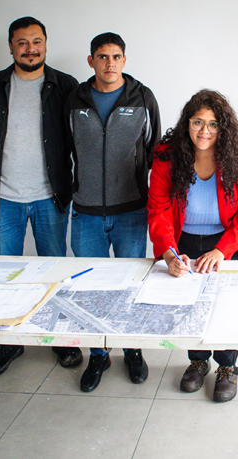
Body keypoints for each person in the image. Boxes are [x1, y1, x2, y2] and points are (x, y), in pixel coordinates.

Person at [0, 17, 83, 377]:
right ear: (11, 47)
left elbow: (75, 135)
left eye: (36, 41)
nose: (30, 48)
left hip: (50, 196)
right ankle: (9, 342)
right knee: (7, 276)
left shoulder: (66, 85)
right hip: (4, 199)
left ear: (46, 45)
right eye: (22, 42)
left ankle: (59, 338)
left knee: (54, 269)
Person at [147, 89, 238, 402]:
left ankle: (227, 367)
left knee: (227, 305)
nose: (204, 131)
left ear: (223, 127)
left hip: (227, 242)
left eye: (212, 124)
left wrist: (222, 250)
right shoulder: (166, 154)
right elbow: (157, 208)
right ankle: (198, 360)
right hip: (183, 240)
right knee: (190, 304)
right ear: (187, 123)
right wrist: (169, 253)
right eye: (198, 122)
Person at [66, 32, 161, 392]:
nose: (110, 63)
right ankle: (99, 355)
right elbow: (66, 145)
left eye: (116, 56)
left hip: (131, 211)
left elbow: (152, 147)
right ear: (90, 60)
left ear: (125, 60)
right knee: (89, 289)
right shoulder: (75, 99)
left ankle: (132, 350)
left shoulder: (142, 97)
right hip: (87, 211)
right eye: (102, 57)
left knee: (131, 286)